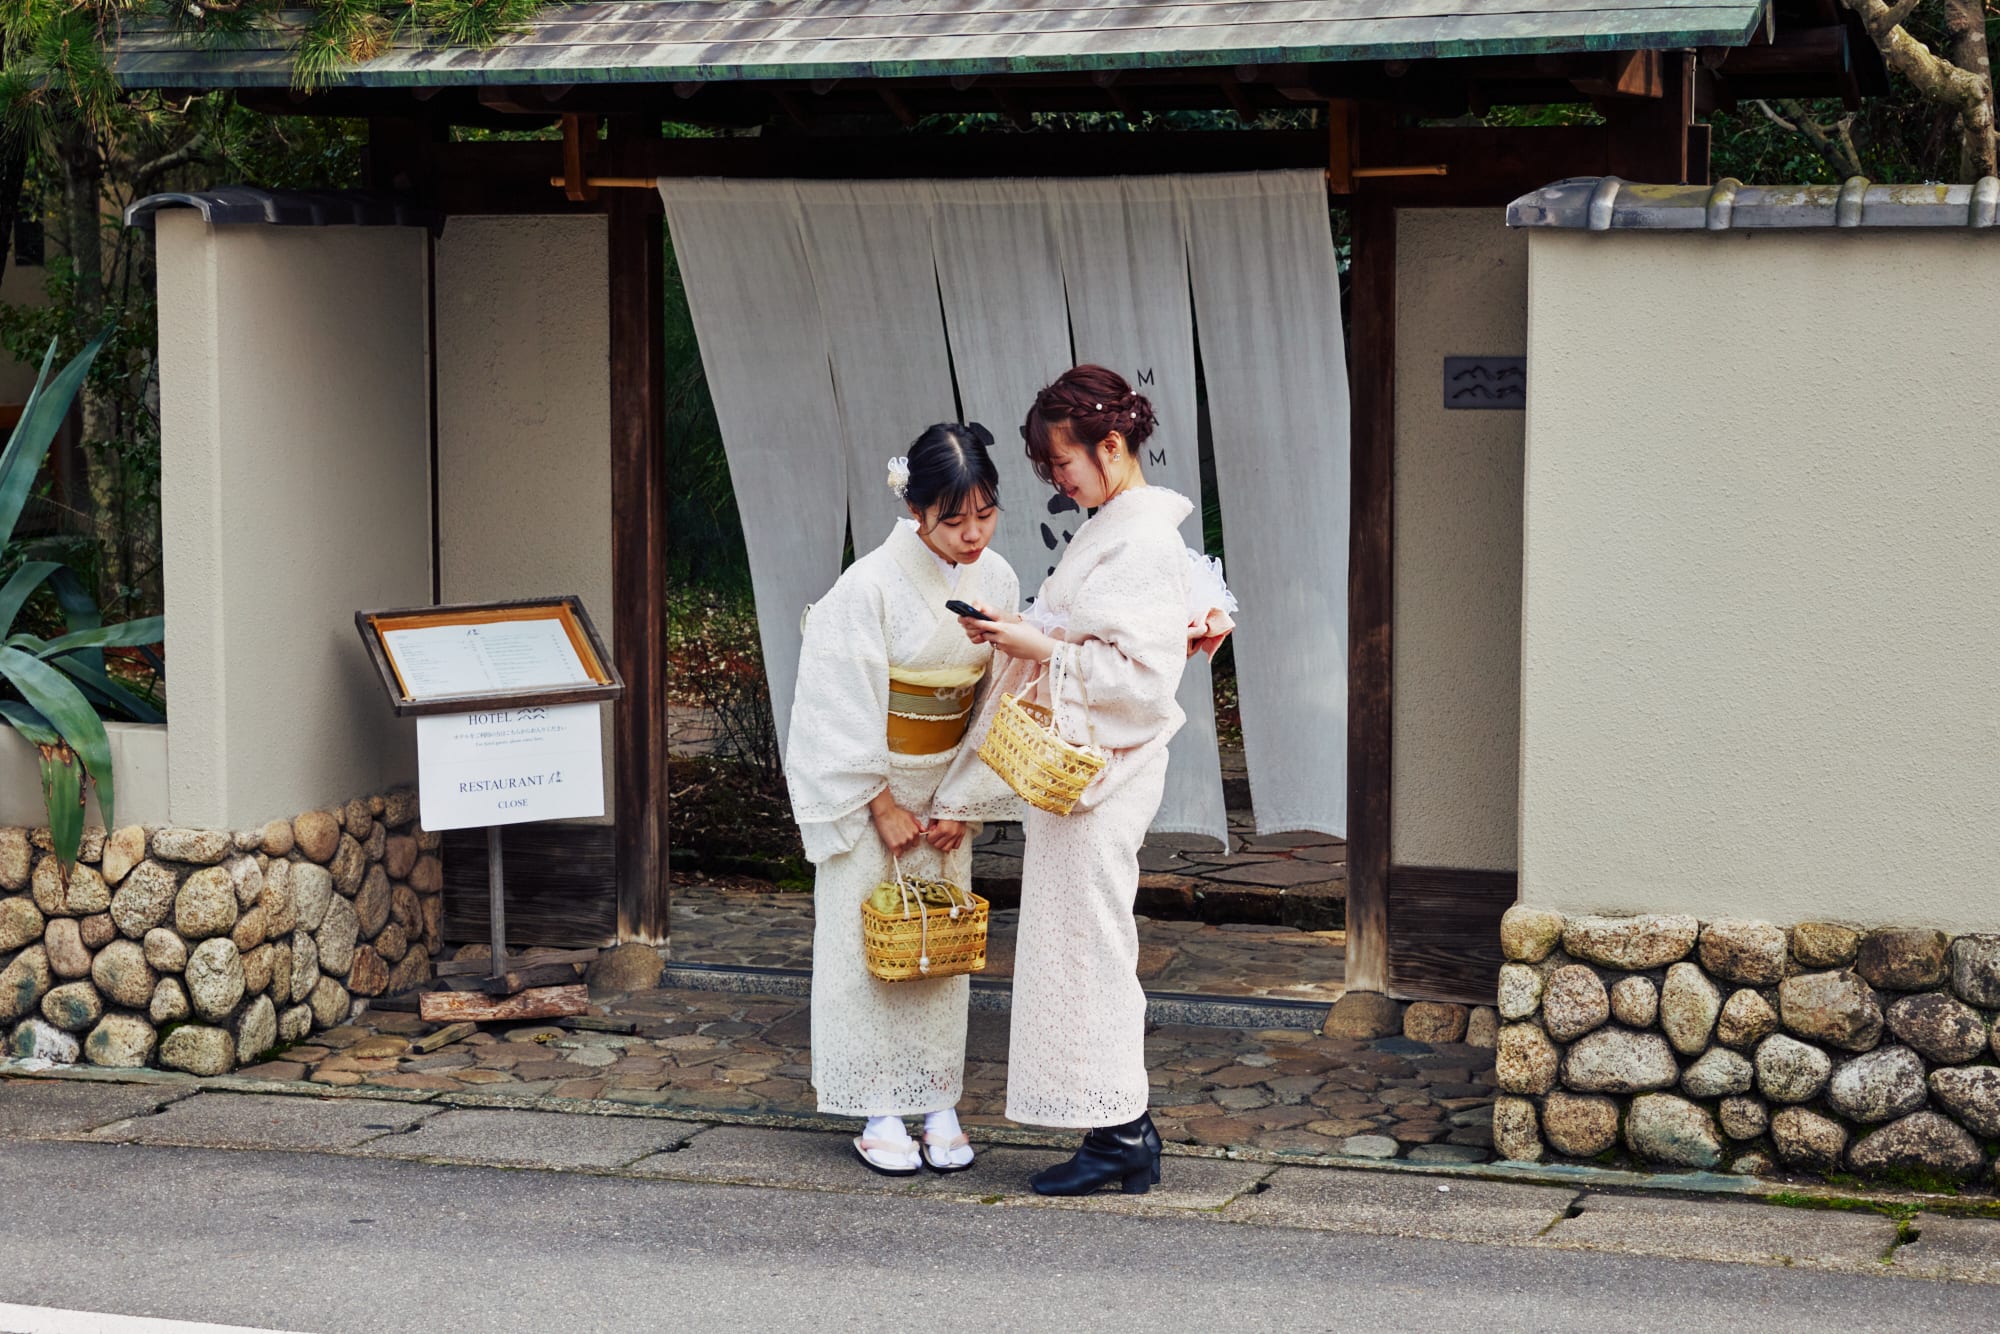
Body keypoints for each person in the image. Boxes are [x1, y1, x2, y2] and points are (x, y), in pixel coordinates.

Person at [956, 364, 1233, 1196]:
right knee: (1080, 943)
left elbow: (1139, 676)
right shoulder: (1119, 526)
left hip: (1106, 772)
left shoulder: (1139, 536)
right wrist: (1025, 630)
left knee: (1096, 946)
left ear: (1111, 446)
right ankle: (1117, 1127)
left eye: (1064, 464)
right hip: (1088, 771)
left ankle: (1121, 1131)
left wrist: (1039, 647)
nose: (1059, 481)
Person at [785, 422, 1022, 1176]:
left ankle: (938, 1100)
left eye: (985, 513)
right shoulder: (869, 586)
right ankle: (877, 1107)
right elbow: (834, 700)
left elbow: (1001, 699)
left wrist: (967, 801)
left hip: (949, 791)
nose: (972, 533)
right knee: (869, 950)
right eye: (954, 520)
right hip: (874, 792)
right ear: (915, 510)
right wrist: (879, 802)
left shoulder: (1001, 581)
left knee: (939, 952)